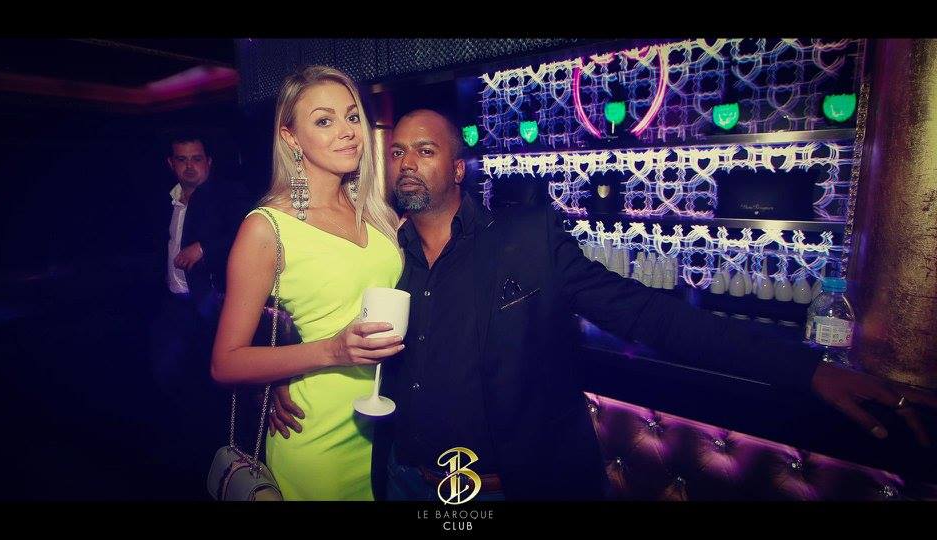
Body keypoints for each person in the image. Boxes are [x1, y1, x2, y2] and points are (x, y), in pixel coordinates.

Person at [269, 108, 937, 501]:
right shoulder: (387, 253)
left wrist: (807, 370)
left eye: (426, 149)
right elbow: (327, 320)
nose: (408, 162)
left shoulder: (527, 241)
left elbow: (651, 316)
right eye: (397, 152)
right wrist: (286, 375)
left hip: (504, 487)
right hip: (406, 478)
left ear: (459, 168)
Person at [210, 65, 405, 501]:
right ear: (291, 138)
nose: (347, 131)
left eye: (351, 116)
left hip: (392, 430)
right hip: (319, 438)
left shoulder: (377, 215)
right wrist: (329, 351)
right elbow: (225, 363)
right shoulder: (268, 228)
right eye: (324, 121)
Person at [150, 130, 251, 412]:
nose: (190, 166)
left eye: (196, 159)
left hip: (210, 302)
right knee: (168, 373)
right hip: (173, 300)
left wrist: (204, 248)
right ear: (171, 163)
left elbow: (247, 234)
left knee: (212, 379)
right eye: (182, 160)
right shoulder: (166, 200)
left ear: (208, 161)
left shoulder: (228, 194)